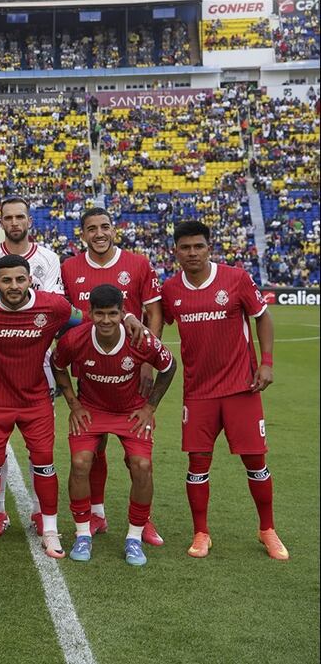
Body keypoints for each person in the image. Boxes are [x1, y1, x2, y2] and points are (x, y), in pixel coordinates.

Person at [161, 221, 287, 560]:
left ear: (209, 247)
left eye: (198, 246)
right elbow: (156, 318)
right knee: (198, 463)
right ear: (175, 251)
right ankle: (201, 533)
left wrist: (267, 362)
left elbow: (263, 316)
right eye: (185, 247)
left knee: (255, 460)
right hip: (198, 392)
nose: (192, 253)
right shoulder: (171, 289)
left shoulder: (236, 278)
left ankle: (267, 529)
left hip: (240, 387)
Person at [61, 207, 166, 546]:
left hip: (132, 367)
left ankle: (143, 521)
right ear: (83, 234)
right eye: (91, 228)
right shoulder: (70, 267)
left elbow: (155, 312)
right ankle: (97, 513)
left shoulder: (137, 263)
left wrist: (148, 362)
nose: (99, 233)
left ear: (114, 229)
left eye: (104, 226)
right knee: (94, 448)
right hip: (89, 369)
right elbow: (68, 315)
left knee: (137, 456)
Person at [51, 284, 176, 566]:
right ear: (90, 313)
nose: (105, 320)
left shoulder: (140, 339)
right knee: (81, 462)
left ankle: (134, 537)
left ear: (123, 313)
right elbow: (57, 364)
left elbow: (169, 366)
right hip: (92, 410)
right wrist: (74, 404)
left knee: (141, 466)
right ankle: (83, 533)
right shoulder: (74, 340)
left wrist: (149, 407)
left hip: (131, 411)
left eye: (112, 314)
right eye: (99, 314)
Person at [0, 195, 64, 536]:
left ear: (29, 220)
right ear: (1, 221)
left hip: (36, 361)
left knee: (39, 445)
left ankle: (42, 512)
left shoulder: (48, 258)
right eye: (8, 217)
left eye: (20, 216)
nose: (14, 222)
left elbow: (54, 305)